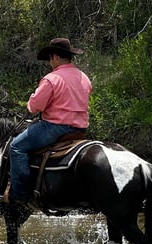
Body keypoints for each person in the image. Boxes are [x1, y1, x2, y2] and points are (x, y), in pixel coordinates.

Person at [5, 38, 92, 206]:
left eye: (50, 58)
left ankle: (20, 194)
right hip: (80, 129)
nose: (49, 62)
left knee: (16, 146)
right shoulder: (84, 77)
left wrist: (30, 103)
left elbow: (36, 106)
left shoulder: (52, 79)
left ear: (56, 58)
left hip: (55, 128)